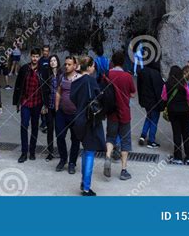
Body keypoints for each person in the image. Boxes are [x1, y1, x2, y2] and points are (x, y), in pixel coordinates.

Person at [70, 56, 106, 196]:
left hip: (78, 119)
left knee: (86, 150)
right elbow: (98, 98)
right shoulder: (91, 81)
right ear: (89, 66)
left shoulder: (75, 81)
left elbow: (73, 98)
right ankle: (86, 188)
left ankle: (84, 182)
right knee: (90, 152)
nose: (94, 68)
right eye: (93, 65)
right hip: (90, 120)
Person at [103, 50, 136, 181]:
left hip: (111, 113)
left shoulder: (107, 74)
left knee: (110, 137)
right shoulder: (127, 77)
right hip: (124, 113)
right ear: (123, 62)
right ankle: (123, 170)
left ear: (113, 61)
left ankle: (107, 156)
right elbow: (133, 93)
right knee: (125, 141)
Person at [13, 47, 46, 163]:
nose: (35, 58)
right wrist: (16, 102)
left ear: (39, 57)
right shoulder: (24, 69)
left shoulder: (43, 70)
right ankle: (24, 152)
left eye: (37, 56)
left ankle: (32, 151)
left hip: (37, 103)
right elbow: (18, 85)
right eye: (33, 56)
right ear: (30, 56)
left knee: (35, 127)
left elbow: (45, 88)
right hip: (25, 102)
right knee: (24, 126)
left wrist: (44, 105)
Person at [161, 65, 189, 164]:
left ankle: (177, 157)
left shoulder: (166, 85)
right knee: (186, 133)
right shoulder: (184, 84)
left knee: (176, 133)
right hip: (184, 111)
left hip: (173, 111)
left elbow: (164, 98)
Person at [54, 56, 80, 173]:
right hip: (62, 113)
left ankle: (72, 163)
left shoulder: (80, 79)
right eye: (65, 64)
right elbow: (58, 92)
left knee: (75, 140)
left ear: (75, 66)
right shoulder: (61, 77)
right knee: (60, 136)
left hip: (75, 115)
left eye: (69, 64)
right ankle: (63, 159)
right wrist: (56, 107)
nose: (66, 66)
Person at [137, 59, 163, 148]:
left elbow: (139, 87)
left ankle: (143, 135)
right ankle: (151, 141)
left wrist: (140, 100)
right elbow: (159, 90)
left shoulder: (142, 72)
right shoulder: (156, 74)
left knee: (148, 117)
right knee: (154, 120)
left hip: (146, 101)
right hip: (154, 102)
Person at [41, 54, 61, 160]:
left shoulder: (61, 75)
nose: (53, 62)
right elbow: (43, 90)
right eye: (51, 61)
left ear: (57, 62)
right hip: (49, 106)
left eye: (54, 60)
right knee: (50, 130)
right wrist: (44, 104)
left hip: (59, 107)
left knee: (59, 130)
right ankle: (50, 152)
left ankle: (61, 151)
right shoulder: (47, 74)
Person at [39, 45, 51, 132]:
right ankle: (43, 123)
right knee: (42, 105)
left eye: (47, 51)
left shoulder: (51, 61)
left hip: (49, 86)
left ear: (49, 52)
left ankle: (47, 122)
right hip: (41, 85)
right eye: (44, 51)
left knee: (48, 104)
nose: (45, 52)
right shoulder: (40, 61)